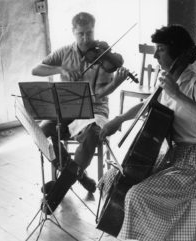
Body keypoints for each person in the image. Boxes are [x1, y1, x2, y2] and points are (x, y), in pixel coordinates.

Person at [97, 25, 196, 240]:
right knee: (113, 178)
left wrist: (177, 95)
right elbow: (146, 104)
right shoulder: (169, 79)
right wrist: (118, 120)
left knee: (138, 195)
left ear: (177, 51)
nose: (155, 54)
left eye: (161, 49)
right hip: (175, 157)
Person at [32, 12, 129, 214]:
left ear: (94, 29)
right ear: (73, 32)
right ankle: (81, 177)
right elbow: (36, 70)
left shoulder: (104, 55)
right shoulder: (65, 52)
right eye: (81, 34)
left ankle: (59, 188)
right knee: (41, 131)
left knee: (92, 135)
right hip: (68, 108)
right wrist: (61, 68)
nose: (86, 39)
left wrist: (115, 83)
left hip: (96, 109)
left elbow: (100, 94)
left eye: (89, 33)